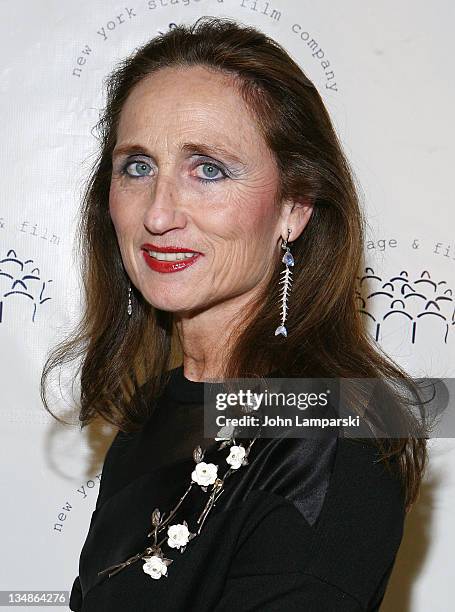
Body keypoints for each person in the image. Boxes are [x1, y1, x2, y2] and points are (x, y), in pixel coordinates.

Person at [41, 16, 428, 611]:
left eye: (209, 169)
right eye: (138, 166)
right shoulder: (155, 411)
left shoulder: (329, 442)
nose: (159, 213)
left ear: (293, 207)